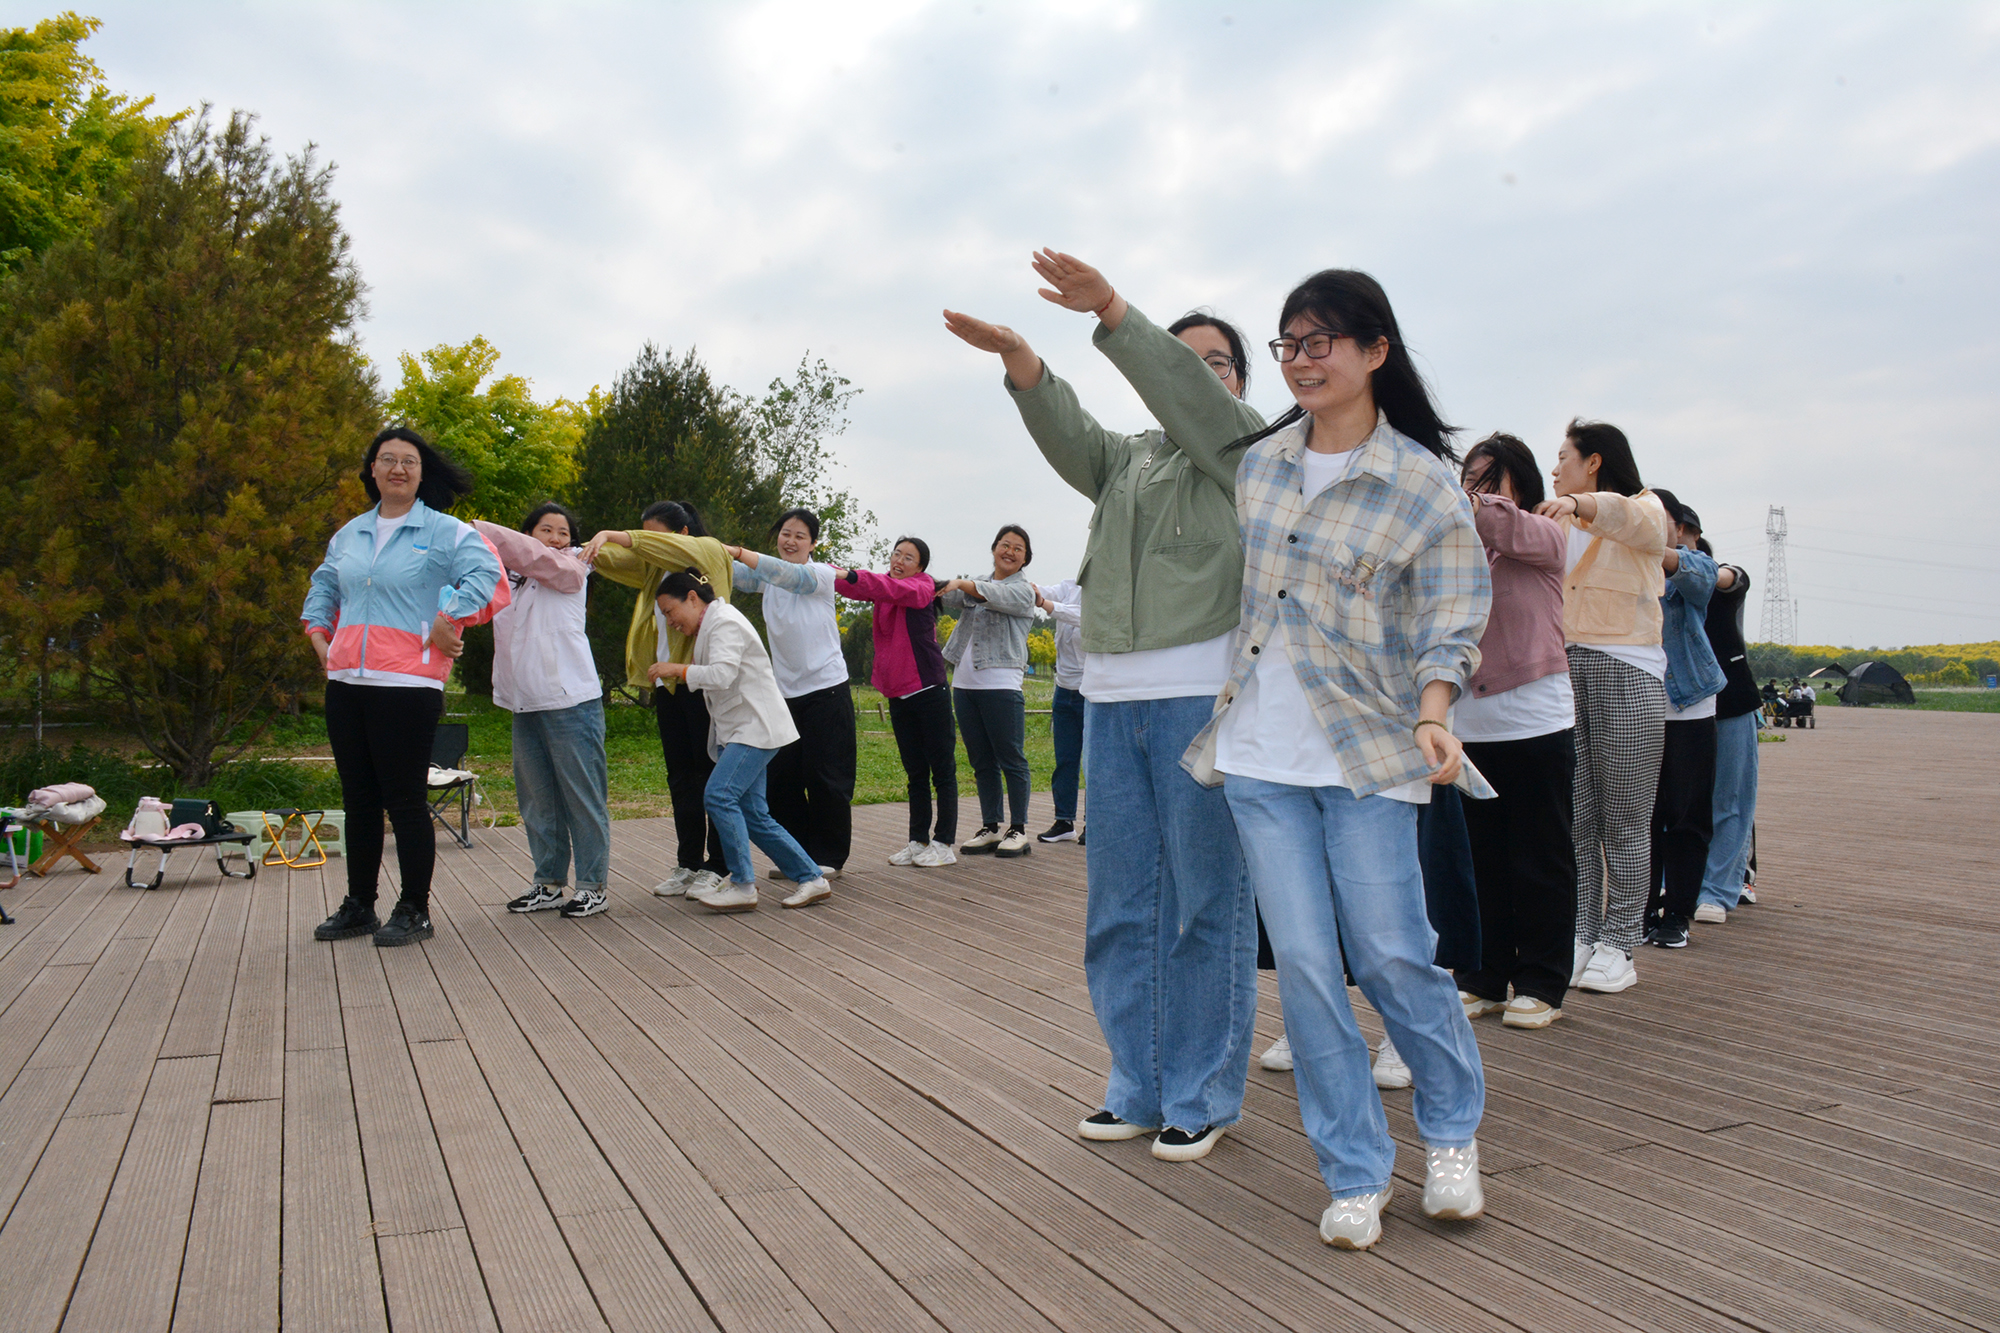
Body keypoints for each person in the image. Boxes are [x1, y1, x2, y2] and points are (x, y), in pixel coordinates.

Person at [1180, 268, 1492, 1250]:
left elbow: (1451, 613)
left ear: (1372, 353)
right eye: (1288, 344)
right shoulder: (1260, 464)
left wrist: (1435, 710)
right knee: (1308, 969)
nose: (1302, 360)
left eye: (1320, 342)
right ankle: (1352, 1168)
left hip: (1369, 753)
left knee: (1394, 951)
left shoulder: (1418, 482)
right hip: (1262, 758)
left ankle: (1448, 1133)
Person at [944, 249, 1263, 1167]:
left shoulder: (1244, 448)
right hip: (1110, 699)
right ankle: (1140, 1081)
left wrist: (1121, 315)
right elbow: (1073, 432)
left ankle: (1203, 1092)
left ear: (1238, 384)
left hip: (1195, 702)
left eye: (1213, 360)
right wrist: (1022, 364)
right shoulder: (1128, 463)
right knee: (1121, 905)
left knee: (1206, 902)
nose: (1194, 371)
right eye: (1182, 353)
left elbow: (1196, 405)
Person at [302, 427, 508, 948]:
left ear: (421, 472)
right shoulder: (350, 533)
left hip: (407, 684)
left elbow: (488, 574)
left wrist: (450, 615)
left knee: (405, 800)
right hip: (347, 682)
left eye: (408, 461)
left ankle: (414, 908)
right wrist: (317, 632)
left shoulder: (445, 531)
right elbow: (325, 583)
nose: (398, 468)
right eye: (387, 459)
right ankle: (360, 907)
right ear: (372, 469)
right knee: (360, 800)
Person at [1533, 420, 1672, 995]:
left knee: (1626, 818)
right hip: (1569, 668)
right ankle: (1585, 932)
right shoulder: (1561, 522)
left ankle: (1622, 942)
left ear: (1592, 461)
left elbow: (1622, 515)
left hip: (1628, 669)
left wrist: (1575, 503)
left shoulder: (1646, 508)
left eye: (1562, 456)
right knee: (1579, 816)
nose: (1554, 467)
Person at [1452, 433, 1577, 1029]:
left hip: (1534, 719)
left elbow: (1501, 526)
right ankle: (1483, 977)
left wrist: (1464, 499)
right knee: (1479, 858)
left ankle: (1542, 982)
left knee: (1540, 855)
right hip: (1467, 725)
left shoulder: (1545, 536)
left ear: (1519, 488)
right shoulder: (1455, 549)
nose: (1473, 490)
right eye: (1468, 478)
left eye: (1487, 481)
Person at [648, 570, 831, 911]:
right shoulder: (713, 623)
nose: (670, 621)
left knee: (718, 795)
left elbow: (721, 674)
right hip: (746, 729)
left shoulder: (724, 622)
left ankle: (743, 884)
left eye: (670, 611)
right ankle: (811, 877)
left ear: (692, 597)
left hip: (755, 728)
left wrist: (678, 669)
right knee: (754, 813)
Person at [582, 502, 734, 899]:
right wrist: (576, 548)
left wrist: (610, 533)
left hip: (702, 683)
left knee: (711, 775)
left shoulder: (707, 551)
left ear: (682, 533)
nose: (647, 543)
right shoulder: (654, 568)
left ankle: (719, 865)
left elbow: (633, 544)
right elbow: (616, 558)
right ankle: (689, 863)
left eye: (656, 535)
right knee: (681, 777)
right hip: (670, 686)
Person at [475, 504, 611, 919]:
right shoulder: (507, 578)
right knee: (537, 800)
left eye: (562, 532)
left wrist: (477, 527)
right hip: (524, 701)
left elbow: (543, 561)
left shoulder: (573, 566)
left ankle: (593, 886)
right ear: (528, 533)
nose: (555, 538)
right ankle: (548, 883)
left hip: (571, 701)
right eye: (545, 530)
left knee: (582, 798)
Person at [723, 508, 857, 878]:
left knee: (827, 778)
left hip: (826, 690)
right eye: (785, 533)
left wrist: (734, 549)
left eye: (800, 535)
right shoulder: (766, 579)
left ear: (813, 543)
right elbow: (727, 575)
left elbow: (786, 575)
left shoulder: (818, 574)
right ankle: (798, 856)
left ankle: (828, 857)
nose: (791, 541)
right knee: (782, 781)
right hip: (783, 696)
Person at [836, 538, 958, 866]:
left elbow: (892, 589)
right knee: (915, 771)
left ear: (920, 567)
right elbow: (861, 588)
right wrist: (828, 575)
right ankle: (918, 841)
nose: (899, 561)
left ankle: (944, 843)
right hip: (898, 693)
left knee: (942, 769)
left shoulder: (922, 587)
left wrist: (852, 575)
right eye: (896, 554)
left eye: (908, 557)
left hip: (928, 689)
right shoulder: (886, 587)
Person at [1638, 491, 1725, 950]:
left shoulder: (1691, 563)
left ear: (1677, 528)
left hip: (1689, 703)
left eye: (1661, 519)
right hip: (1640, 703)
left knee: (1688, 815)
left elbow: (1702, 584)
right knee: (1644, 815)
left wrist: (1663, 552)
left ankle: (1678, 914)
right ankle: (1643, 908)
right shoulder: (1621, 559)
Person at [939, 525, 1039, 857]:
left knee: (1011, 758)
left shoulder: (1023, 591)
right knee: (981, 760)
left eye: (1018, 548)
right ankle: (991, 826)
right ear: (994, 547)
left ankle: (1019, 829)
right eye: (1004, 545)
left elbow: (986, 594)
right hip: (964, 685)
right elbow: (949, 593)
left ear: (1025, 558)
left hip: (1000, 685)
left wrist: (961, 583)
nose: (1009, 551)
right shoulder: (977, 584)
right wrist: (926, 580)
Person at [1692, 527, 1757, 924]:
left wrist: (1690, 566)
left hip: (1731, 703)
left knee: (1730, 798)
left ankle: (1720, 888)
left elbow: (1733, 578)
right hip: (1678, 705)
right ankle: (1683, 883)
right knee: (1678, 803)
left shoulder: (1721, 580)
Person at [1034, 576, 1085, 843]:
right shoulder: (1070, 586)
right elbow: (1044, 591)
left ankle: (1095, 823)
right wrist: (1026, 588)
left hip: (1091, 690)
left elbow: (1083, 616)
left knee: (1092, 762)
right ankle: (1064, 821)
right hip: (1063, 690)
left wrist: (1045, 604)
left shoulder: (1109, 589)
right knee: (1065, 759)